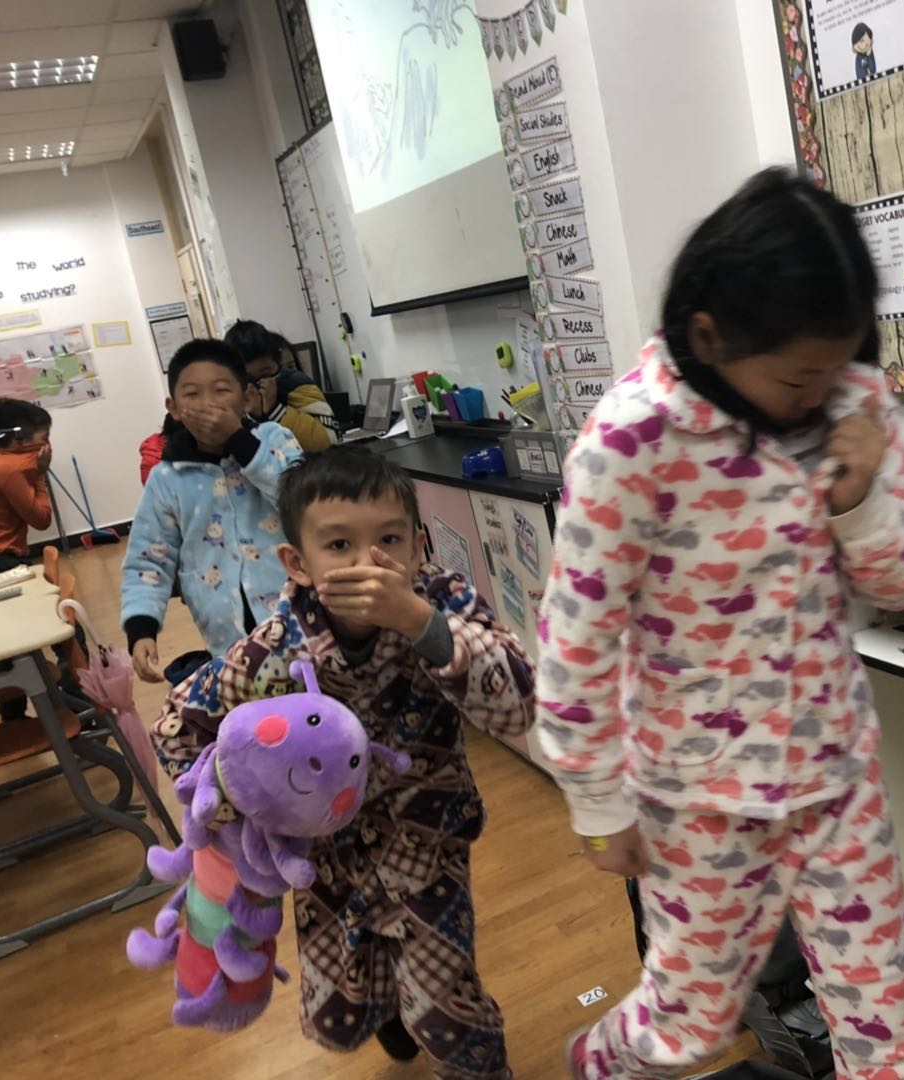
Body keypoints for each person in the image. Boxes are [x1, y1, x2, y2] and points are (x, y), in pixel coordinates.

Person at [540, 169, 904, 1079]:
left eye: (836, 369)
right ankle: (599, 1061)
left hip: (835, 775)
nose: (820, 395)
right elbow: (575, 639)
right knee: (689, 1029)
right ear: (709, 336)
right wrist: (597, 800)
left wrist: (861, 498)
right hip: (698, 799)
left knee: (891, 1037)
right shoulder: (630, 442)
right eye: (798, 378)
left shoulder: (852, 404)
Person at [152, 444, 534, 1077]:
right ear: (297, 564)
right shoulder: (275, 650)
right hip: (323, 864)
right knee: (338, 1011)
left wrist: (423, 624)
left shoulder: (443, 602)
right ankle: (390, 1013)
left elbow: (519, 704)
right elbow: (178, 726)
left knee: (447, 1012)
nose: (368, 563)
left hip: (426, 849)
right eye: (339, 546)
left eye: (389, 540)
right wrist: (230, 809)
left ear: (418, 547)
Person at [121, 339, 302, 685]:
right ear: (174, 409)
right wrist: (141, 627)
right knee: (255, 709)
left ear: (246, 399)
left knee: (314, 700)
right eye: (192, 394)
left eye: (221, 391)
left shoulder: (274, 440)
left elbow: (302, 500)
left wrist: (239, 441)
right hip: (226, 635)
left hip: (300, 618)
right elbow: (149, 558)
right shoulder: (167, 478)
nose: (208, 404)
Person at [0, 398, 61, 721]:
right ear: (18, 439)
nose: (47, 447)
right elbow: (41, 519)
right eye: (44, 438)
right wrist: (40, 476)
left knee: (6, 647)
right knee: (59, 629)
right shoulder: (12, 470)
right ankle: (76, 698)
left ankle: (14, 715)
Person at [225, 319, 341, 452]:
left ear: (277, 363)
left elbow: (329, 440)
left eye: (265, 374)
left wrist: (275, 411)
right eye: (248, 379)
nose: (257, 385)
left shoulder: (295, 385)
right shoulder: (233, 398)